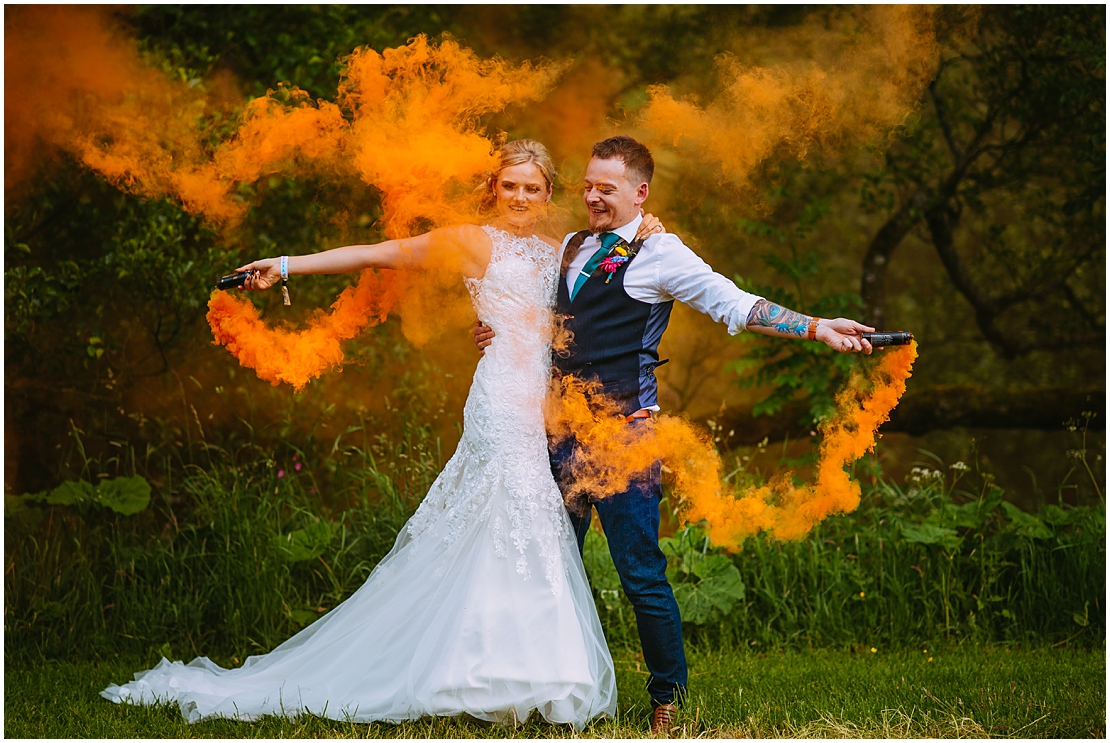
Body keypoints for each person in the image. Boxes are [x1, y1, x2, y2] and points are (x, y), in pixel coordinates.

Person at [101, 140, 663, 728]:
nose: (519, 197)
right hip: (502, 400)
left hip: (549, 402)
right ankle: (492, 675)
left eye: (531, 187)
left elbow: (604, 288)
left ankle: (510, 670)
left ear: (550, 193)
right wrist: (288, 265)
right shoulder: (473, 241)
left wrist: (645, 229)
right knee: (514, 516)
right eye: (509, 185)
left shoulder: (564, 250)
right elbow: (384, 251)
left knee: (522, 529)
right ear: (493, 188)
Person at [473, 135, 875, 734]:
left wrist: (816, 327)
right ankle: (543, 692)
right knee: (547, 566)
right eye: (587, 185)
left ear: (640, 192)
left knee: (640, 573)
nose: (591, 197)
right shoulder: (572, 245)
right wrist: (492, 331)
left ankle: (669, 696)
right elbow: (538, 316)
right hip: (558, 438)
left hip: (625, 439)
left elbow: (735, 305)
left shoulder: (661, 254)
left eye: (606, 189)